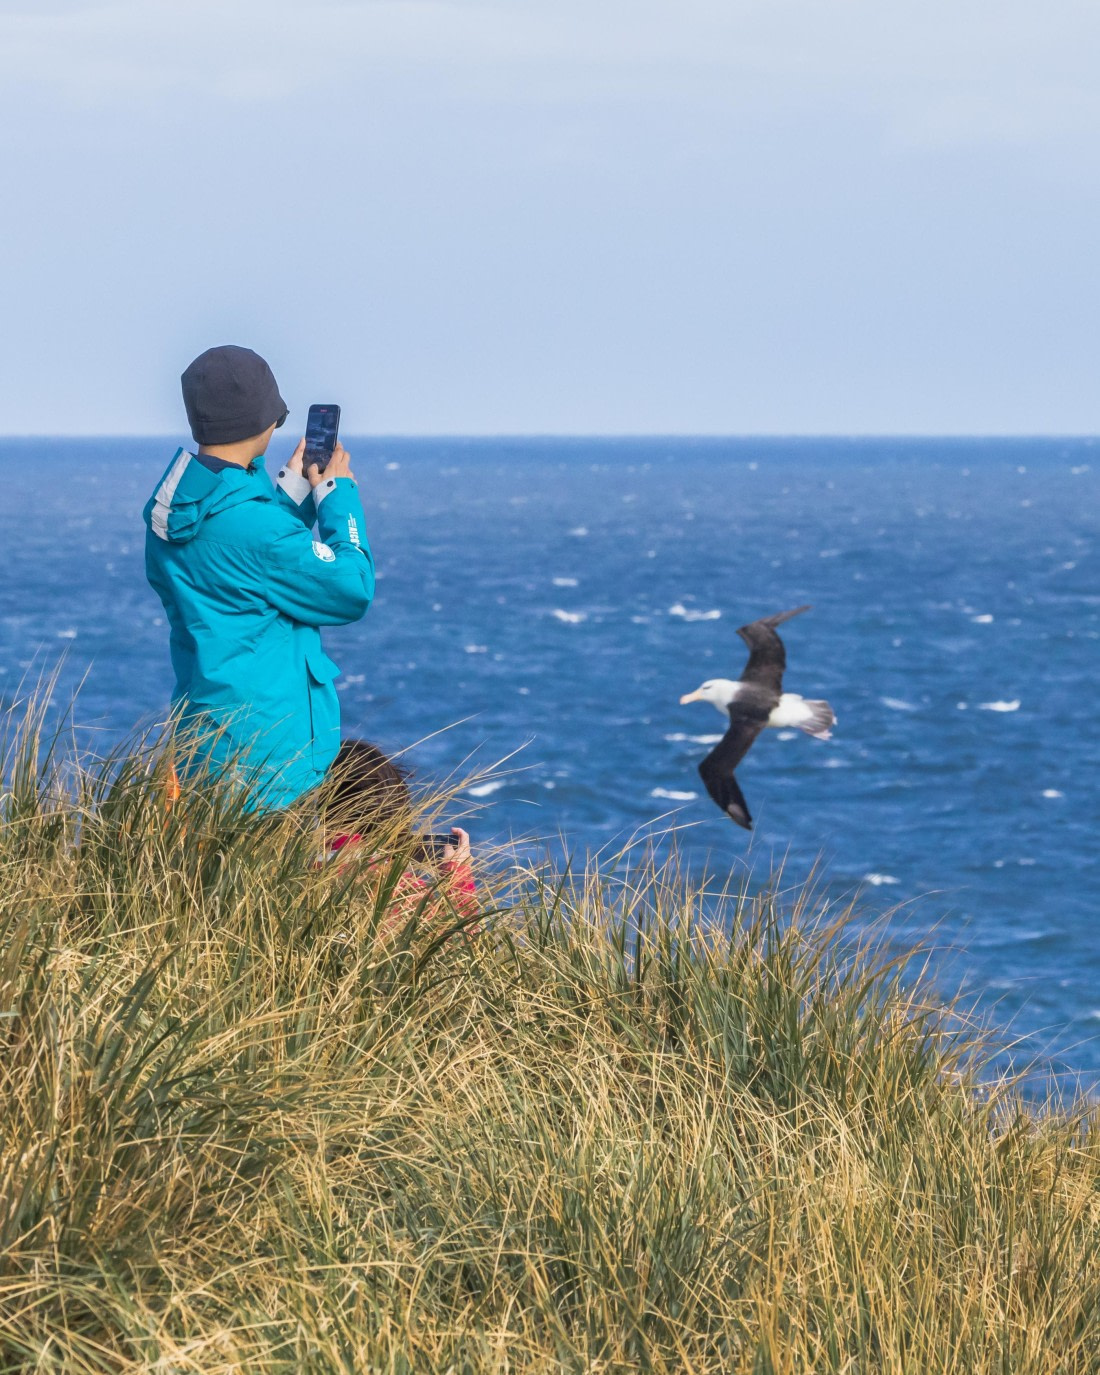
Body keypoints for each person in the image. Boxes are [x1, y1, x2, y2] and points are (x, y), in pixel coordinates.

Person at [144, 345, 374, 810]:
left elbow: (242, 555)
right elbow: (352, 588)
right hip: (271, 767)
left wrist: (291, 487)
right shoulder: (258, 533)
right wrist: (337, 495)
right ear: (266, 423)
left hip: (207, 749)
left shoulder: (175, 512)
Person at [322, 737, 478, 929]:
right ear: (393, 808)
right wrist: (458, 877)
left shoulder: (286, 865)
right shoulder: (397, 890)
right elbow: (465, 946)